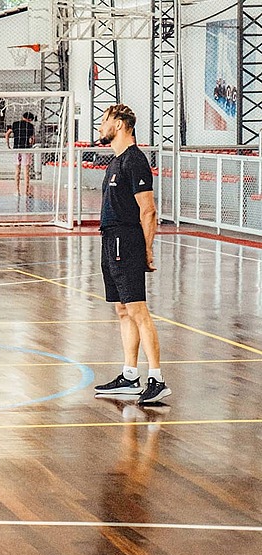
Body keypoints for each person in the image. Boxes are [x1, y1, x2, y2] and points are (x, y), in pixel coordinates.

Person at [91, 104, 170, 405]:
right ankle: (129, 375)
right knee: (122, 309)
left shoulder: (135, 161)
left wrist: (147, 250)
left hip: (127, 239)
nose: (100, 126)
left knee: (137, 310)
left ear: (121, 124)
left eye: (104, 121)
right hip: (111, 239)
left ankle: (157, 379)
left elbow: (148, 210)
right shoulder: (116, 162)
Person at [6, 112, 36, 196]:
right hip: (26, 149)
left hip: (16, 148)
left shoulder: (15, 124)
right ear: (30, 119)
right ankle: (27, 192)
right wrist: (31, 144)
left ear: (23, 117)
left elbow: (7, 133)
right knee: (26, 171)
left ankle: (17, 191)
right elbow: (33, 139)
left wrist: (8, 144)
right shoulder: (30, 126)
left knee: (17, 171)